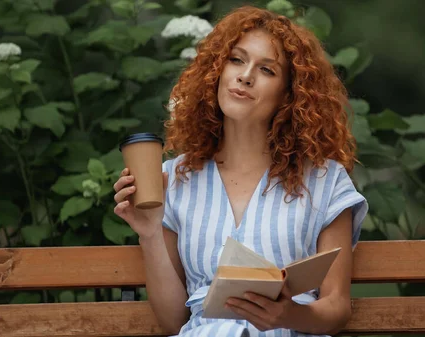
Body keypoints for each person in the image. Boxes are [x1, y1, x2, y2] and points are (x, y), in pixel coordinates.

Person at [113, 5, 368, 337]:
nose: (245, 75)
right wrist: (148, 233)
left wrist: (287, 315)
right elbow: (175, 321)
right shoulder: (175, 178)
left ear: (289, 95)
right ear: (217, 71)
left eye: (267, 69)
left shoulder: (325, 180)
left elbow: (335, 307)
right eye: (236, 59)